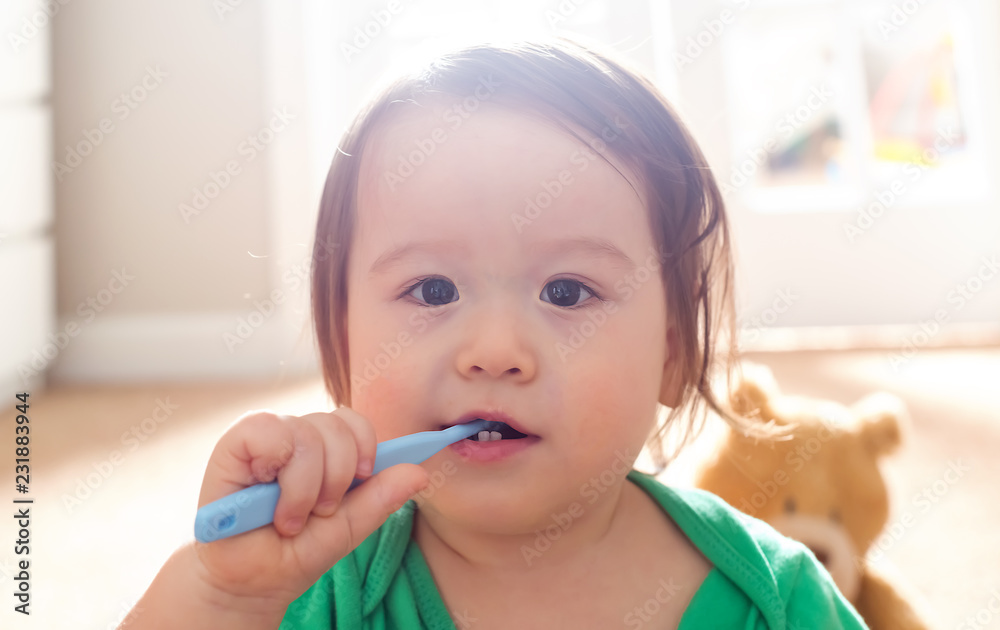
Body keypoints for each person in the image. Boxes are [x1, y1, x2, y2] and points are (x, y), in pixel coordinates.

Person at [123, 35, 868, 629]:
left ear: (673, 354)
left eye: (568, 291)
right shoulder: (306, 586)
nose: (495, 353)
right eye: (433, 290)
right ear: (341, 342)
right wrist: (221, 599)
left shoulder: (778, 597)